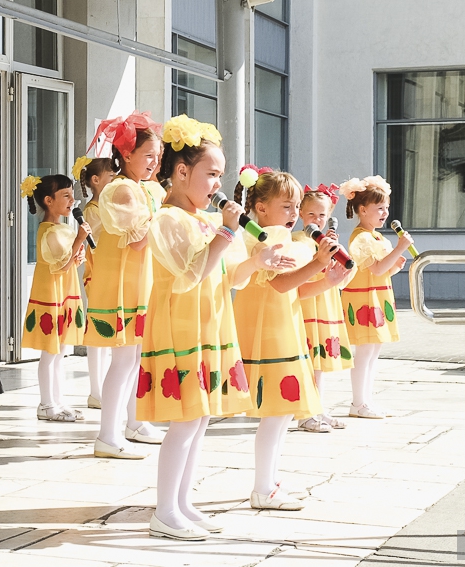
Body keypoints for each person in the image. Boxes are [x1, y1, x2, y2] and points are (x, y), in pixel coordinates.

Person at [137, 116, 281, 541]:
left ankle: (182, 503)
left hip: (210, 325)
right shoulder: (169, 219)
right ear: (182, 172)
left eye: (220, 174)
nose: (218, 184)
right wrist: (225, 232)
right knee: (185, 421)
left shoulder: (204, 220)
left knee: (198, 420)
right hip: (181, 327)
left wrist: (256, 261)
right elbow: (189, 274)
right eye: (212, 174)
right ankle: (165, 510)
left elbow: (230, 275)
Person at [232, 168, 348, 510]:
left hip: (283, 323)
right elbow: (280, 284)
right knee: (277, 411)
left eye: (296, 206)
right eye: (287, 206)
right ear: (261, 207)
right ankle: (263, 487)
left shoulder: (281, 236)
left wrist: (327, 280)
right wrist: (318, 263)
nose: (295, 213)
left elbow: (295, 289)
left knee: (282, 412)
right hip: (270, 329)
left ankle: (269, 482)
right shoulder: (264, 238)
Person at [83, 112, 166, 458]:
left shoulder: (143, 188)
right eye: (148, 155)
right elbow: (137, 241)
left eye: (157, 155)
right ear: (127, 154)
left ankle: (133, 423)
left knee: (134, 358)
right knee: (123, 360)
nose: (154, 162)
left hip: (139, 281)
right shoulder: (120, 189)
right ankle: (108, 434)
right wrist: (165, 217)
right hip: (122, 283)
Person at [338, 176, 412, 419]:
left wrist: (395, 263)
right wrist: (399, 249)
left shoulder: (377, 237)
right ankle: (358, 403)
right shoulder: (361, 238)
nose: (385, 213)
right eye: (379, 208)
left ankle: (366, 401)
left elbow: (382, 270)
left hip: (377, 298)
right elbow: (377, 269)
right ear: (362, 209)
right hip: (364, 300)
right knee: (365, 353)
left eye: (386, 207)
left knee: (372, 352)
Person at [20, 174, 91, 421]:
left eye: (72, 195)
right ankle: (46, 404)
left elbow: (68, 261)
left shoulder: (63, 229)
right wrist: (79, 241)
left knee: (60, 352)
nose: (72, 200)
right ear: (48, 201)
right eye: (66, 195)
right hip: (51, 295)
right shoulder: (48, 231)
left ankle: (59, 402)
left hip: (64, 293)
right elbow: (59, 266)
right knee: (50, 353)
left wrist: (78, 254)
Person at [294, 183, 356, 431]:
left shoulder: (328, 242)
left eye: (322, 214)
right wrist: (319, 255)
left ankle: (319, 409)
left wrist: (337, 252)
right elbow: (301, 273)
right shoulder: (298, 240)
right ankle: (305, 414)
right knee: (308, 362)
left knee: (319, 364)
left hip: (326, 306)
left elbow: (345, 277)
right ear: (301, 213)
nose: (317, 219)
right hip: (308, 306)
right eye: (311, 214)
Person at [73, 156, 115, 409]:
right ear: (96, 180)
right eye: (111, 176)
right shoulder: (92, 210)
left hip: (109, 272)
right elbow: (99, 242)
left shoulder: (106, 207)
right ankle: (96, 390)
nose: (115, 181)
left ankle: (101, 390)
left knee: (106, 332)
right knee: (98, 330)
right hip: (98, 273)